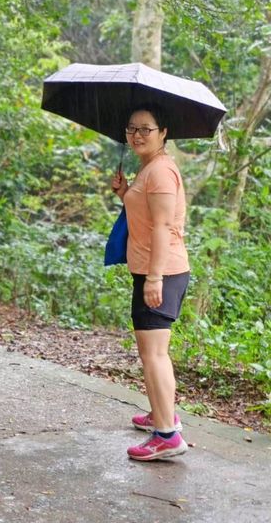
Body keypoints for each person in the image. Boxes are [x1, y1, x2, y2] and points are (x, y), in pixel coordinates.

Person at [111, 104, 190, 461]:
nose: (137, 135)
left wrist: (154, 278)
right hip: (151, 268)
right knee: (153, 352)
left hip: (161, 271)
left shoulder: (159, 172)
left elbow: (162, 226)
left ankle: (167, 435)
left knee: (154, 354)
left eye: (146, 128)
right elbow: (146, 216)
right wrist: (125, 192)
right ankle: (163, 414)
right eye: (132, 128)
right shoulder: (149, 169)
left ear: (164, 132)